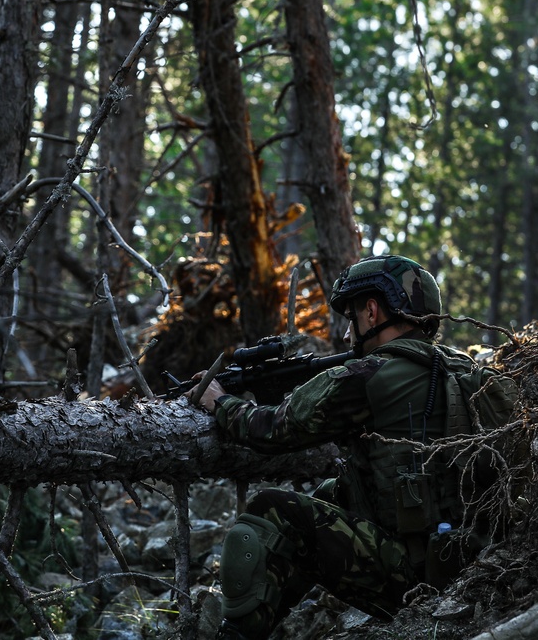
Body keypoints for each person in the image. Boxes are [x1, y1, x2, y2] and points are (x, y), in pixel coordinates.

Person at [189, 255, 489, 640]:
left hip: (416, 579)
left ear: (371, 309)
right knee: (332, 494)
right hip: (471, 565)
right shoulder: (463, 370)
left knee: (272, 511)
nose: (348, 335)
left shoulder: (369, 374)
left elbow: (270, 430)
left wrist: (218, 400)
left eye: (352, 319)